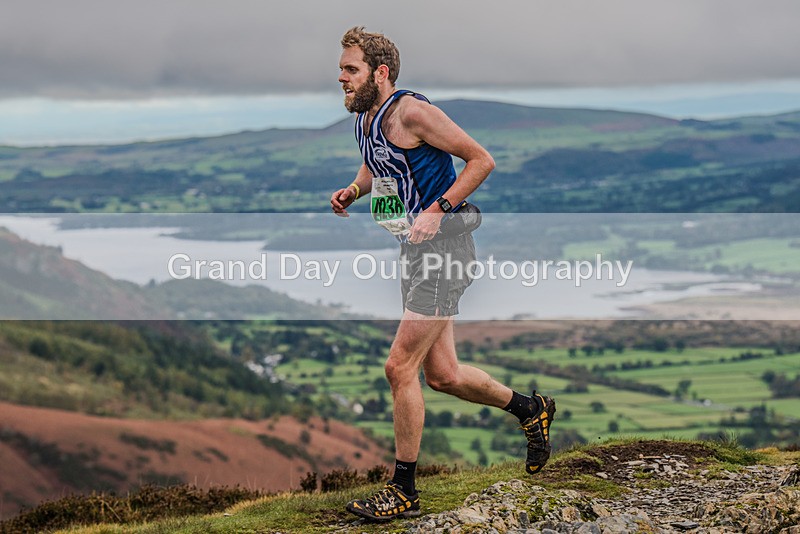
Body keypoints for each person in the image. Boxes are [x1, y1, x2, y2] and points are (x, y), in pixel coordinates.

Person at [330, 26, 556, 522]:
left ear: (380, 72)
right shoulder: (366, 117)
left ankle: (404, 489)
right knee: (444, 375)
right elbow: (375, 167)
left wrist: (438, 208)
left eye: (350, 69)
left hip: (446, 250)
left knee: (399, 367)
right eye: (342, 68)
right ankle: (529, 409)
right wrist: (352, 190)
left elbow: (481, 160)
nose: (340, 77)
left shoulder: (412, 111)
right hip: (417, 254)